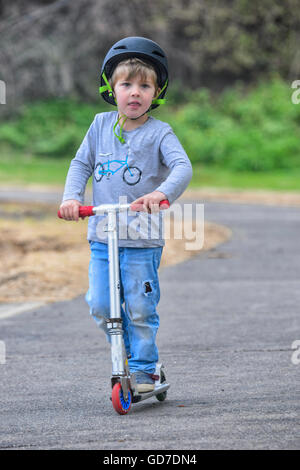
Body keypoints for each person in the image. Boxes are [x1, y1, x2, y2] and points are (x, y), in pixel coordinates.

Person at [59, 37, 193, 393]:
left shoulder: (160, 133)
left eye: (144, 86)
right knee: (101, 305)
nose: (135, 93)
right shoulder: (100, 126)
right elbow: (81, 164)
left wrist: (160, 193)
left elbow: (181, 167)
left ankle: (146, 369)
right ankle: (132, 357)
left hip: (141, 241)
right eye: (126, 84)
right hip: (103, 236)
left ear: (157, 92)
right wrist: (72, 198)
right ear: (111, 88)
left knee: (139, 308)